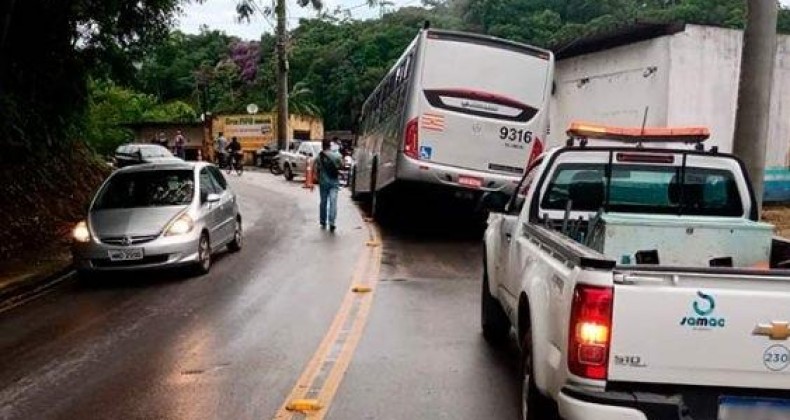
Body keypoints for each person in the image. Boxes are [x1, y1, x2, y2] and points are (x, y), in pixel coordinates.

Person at [312, 139, 343, 232]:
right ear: (329, 145)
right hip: (334, 182)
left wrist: (317, 178)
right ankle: (332, 222)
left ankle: (323, 221)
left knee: (323, 202)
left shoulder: (319, 157)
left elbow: (315, 170)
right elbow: (341, 165)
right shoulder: (336, 155)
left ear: (322, 146)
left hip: (323, 183)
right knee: (333, 203)